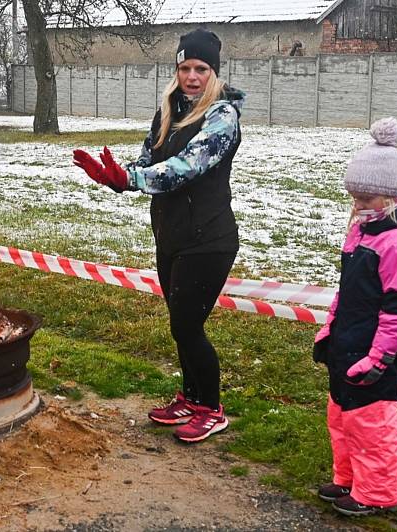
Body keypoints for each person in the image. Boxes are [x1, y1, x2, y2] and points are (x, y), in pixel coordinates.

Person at [72, 28, 245, 443]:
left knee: (189, 326)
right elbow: (149, 159)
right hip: (171, 236)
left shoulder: (222, 117)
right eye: (185, 67)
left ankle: (211, 408)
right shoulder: (168, 110)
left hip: (209, 238)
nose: (191, 76)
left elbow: (185, 167)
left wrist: (132, 179)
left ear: (214, 71)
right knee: (179, 324)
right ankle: (190, 397)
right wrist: (115, 178)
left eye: (200, 68)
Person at [312, 117, 397, 516]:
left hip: (374, 350)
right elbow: (347, 289)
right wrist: (330, 328)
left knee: (372, 424)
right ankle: (348, 479)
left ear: (391, 195)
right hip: (347, 343)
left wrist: (380, 357)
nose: (359, 205)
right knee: (342, 417)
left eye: (368, 198)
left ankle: (378, 493)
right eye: (355, 197)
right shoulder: (363, 232)